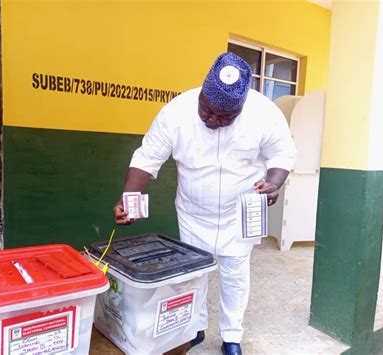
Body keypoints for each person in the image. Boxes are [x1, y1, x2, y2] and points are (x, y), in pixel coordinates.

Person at [113, 52, 296, 355]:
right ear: (202, 93)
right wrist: (127, 198)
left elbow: (283, 154)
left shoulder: (264, 113)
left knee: (235, 273)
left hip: (241, 212)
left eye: (224, 117)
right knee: (195, 273)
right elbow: (148, 157)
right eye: (207, 111)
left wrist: (274, 183)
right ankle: (194, 327)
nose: (212, 120)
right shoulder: (177, 112)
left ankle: (232, 335)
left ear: (242, 106)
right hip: (193, 211)